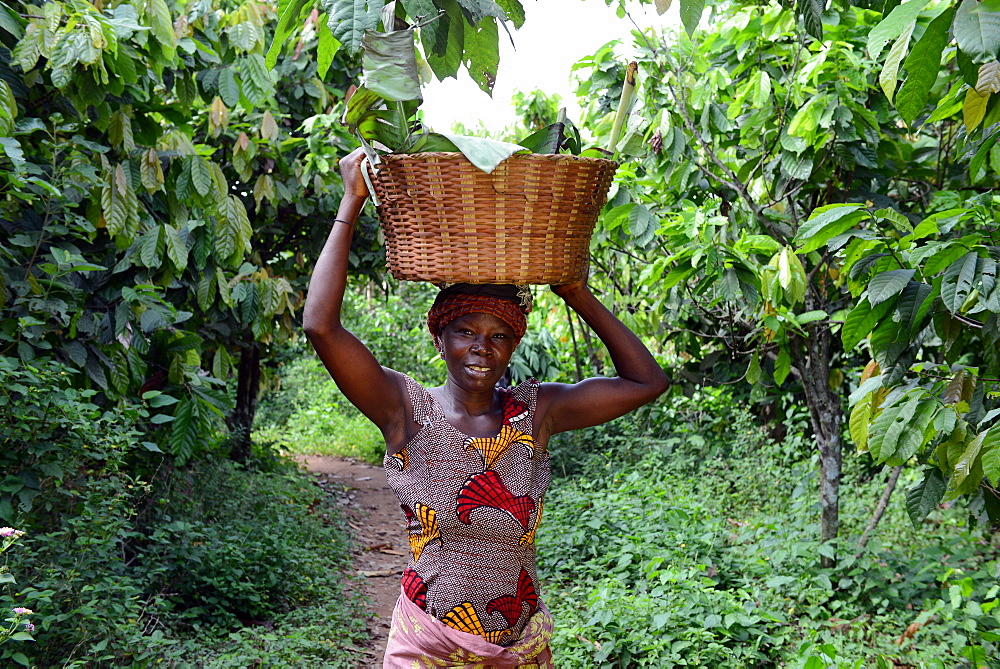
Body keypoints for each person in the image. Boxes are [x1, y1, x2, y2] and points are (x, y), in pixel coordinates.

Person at [303, 149, 669, 668]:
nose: (482, 347)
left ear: (513, 346)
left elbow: (647, 381)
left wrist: (575, 291)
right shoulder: (405, 410)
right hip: (429, 643)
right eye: (466, 332)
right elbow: (321, 327)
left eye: (500, 335)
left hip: (518, 644)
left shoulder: (537, 412)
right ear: (439, 337)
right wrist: (351, 201)